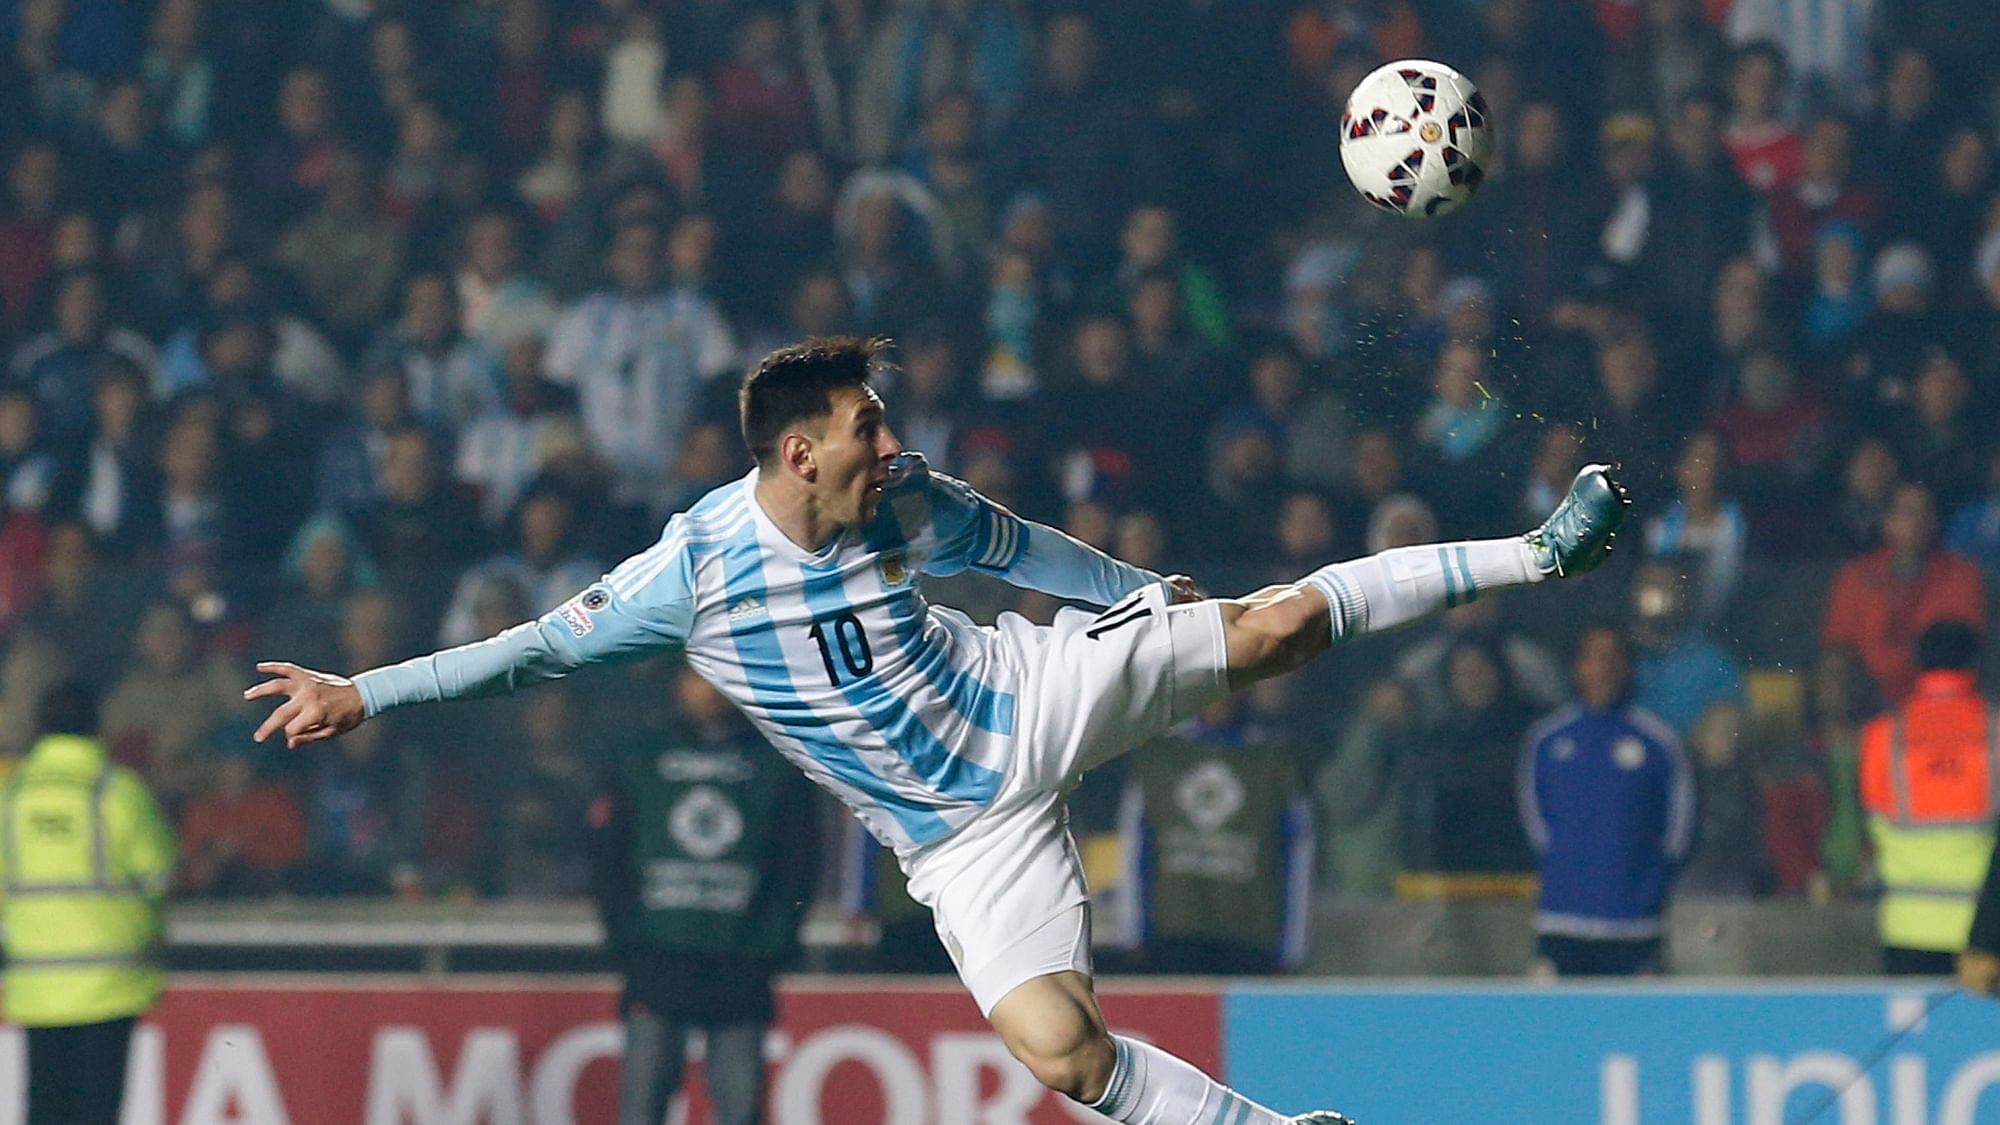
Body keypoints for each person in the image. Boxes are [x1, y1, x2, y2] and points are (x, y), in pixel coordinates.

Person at [246, 336, 1628, 1125]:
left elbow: (1019, 546)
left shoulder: (907, 497)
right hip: (957, 839)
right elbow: (534, 651)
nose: (887, 436)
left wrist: (1141, 595)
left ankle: (1537, 554)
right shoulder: (696, 571)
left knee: (1270, 628)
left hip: (1032, 690)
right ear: (799, 451)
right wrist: (366, 691)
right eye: (863, 420)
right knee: (1061, 1054)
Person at [587, 666, 817, 1125]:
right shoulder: (639, 755)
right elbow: (609, 856)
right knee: (642, 1107)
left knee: (741, 1110)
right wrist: (627, 940)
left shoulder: (775, 759)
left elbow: (800, 859)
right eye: (696, 677)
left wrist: (771, 943)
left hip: (741, 965)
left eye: (716, 677)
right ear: (679, 683)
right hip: (658, 959)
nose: (708, 691)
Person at [1, 680, 176, 1125]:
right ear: (98, 727)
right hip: (111, 982)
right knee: (97, 1110)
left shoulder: (11, 795)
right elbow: (160, 874)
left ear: (39, 727)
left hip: (38, 983)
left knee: (44, 1106)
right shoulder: (117, 791)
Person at [1519, 628, 1693, 977]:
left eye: (1612, 658)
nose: (1602, 668)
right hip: (1562, 922)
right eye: (1592, 657)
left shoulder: (1658, 742)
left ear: (1628, 667)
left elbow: (1678, 832)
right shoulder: (1547, 740)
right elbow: (1536, 825)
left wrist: (1644, 883)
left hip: (1636, 925)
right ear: (1577, 667)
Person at [1859, 620, 1998, 975]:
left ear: (1917, 663)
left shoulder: (1882, 735)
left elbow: (1874, 824)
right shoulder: (1995, 730)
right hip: (1985, 933)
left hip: (1908, 924)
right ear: (1975, 664)